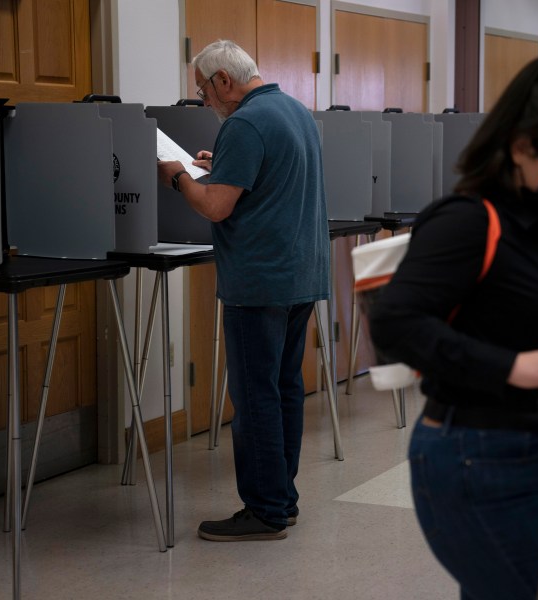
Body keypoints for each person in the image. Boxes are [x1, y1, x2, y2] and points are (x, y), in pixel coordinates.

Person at [369, 55, 538, 599]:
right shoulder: (467, 221)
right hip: (481, 461)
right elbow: (395, 323)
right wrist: (513, 367)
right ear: (521, 148)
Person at [157, 39, 330, 541]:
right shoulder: (295, 111)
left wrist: (178, 179)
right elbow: (270, 180)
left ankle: (264, 510)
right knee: (284, 389)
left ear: (223, 81)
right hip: (299, 277)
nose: (205, 102)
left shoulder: (245, 122)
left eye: (203, 92)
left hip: (260, 281)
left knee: (255, 396)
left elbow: (215, 208)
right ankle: (283, 498)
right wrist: (222, 168)